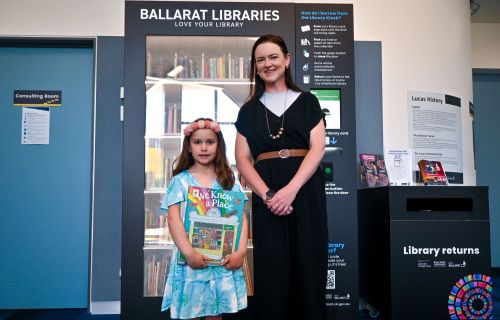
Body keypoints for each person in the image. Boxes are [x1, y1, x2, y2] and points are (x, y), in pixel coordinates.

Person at [235, 34, 328, 319]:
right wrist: (269, 195)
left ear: (286, 60)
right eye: (260, 59)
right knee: (272, 271)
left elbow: (317, 149)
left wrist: (290, 190)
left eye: (273, 57)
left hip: (306, 191)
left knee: (310, 267)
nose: (267, 64)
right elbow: (242, 159)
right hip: (268, 199)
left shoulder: (309, 101)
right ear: (255, 66)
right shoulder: (248, 110)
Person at [161, 118, 248, 320]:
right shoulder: (180, 181)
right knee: (190, 310)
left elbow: (241, 218)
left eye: (210, 142)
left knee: (216, 312)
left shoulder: (229, 180)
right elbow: (173, 220)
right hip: (191, 259)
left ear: (218, 146)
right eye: (197, 142)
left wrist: (241, 251)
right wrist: (189, 253)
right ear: (189, 147)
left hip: (222, 261)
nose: (203, 147)